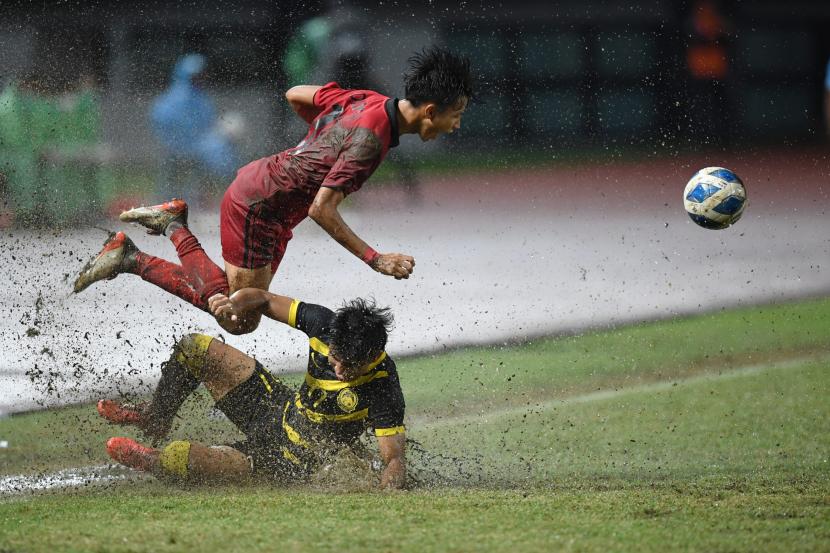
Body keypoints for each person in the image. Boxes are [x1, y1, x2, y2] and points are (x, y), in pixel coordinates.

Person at [74, 46, 472, 336]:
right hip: (257, 207)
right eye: (456, 116)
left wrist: (316, 141)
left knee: (240, 306)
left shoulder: (367, 100)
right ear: (431, 111)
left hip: (271, 203)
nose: (456, 126)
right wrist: (376, 259)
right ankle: (158, 238)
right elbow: (322, 210)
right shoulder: (370, 140)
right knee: (238, 317)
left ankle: (142, 248)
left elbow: (295, 93)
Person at [100, 292, 407, 489]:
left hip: (288, 461)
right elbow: (261, 298)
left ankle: (151, 460)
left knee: (180, 457)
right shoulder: (324, 324)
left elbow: (393, 460)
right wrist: (235, 303)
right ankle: (155, 416)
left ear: (371, 356)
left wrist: (388, 492)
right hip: (276, 407)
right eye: (334, 360)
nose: (338, 371)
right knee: (194, 348)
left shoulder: (384, 387)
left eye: (348, 368)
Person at [149, 53, 240, 203]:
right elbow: (163, 122)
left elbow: (207, 123)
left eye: (202, 74)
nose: (202, 78)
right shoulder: (180, 96)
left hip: (193, 145)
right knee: (220, 150)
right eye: (197, 75)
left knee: (222, 144)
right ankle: (235, 191)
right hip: (183, 147)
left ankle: (207, 195)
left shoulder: (197, 96)